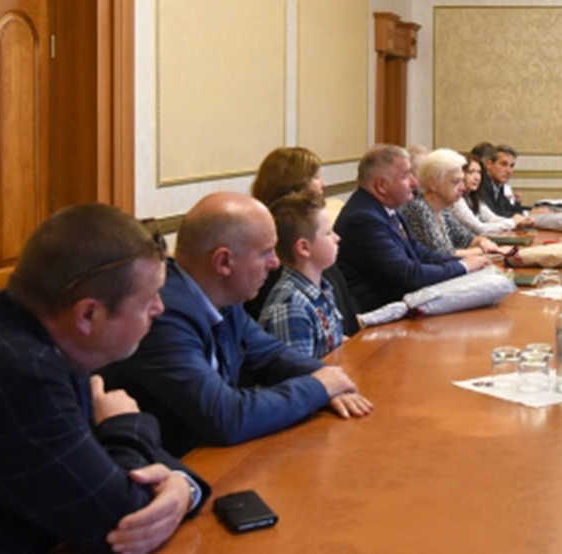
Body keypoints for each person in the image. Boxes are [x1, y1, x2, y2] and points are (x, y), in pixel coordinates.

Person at [0, 204, 209, 554]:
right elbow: (122, 524)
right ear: (88, 314)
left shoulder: (26, 327)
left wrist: (182, 486)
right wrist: (125, 423)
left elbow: (113, 472)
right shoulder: (17, 374)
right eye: (148, 299)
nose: (160, 308)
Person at [100, 192, 372, 457]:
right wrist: (318, 388)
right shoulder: (163, 316)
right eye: (266, 253)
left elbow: (271, 355)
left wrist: (327, 378)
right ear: (223, 261)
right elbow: (226, 417)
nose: (275, 263)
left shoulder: (224, 298)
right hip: (171, 466)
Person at [335, 145, 492, 312]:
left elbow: (420, 253)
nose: (414, 182)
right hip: (379, 315)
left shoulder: (388, 209)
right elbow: (407, 275)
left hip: (402, 304)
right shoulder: (363, 219)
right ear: (381, 185)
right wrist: (463, 267)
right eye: (405, 176)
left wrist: (465, 263)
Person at [245, 147, 361, 334]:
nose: (324, 184)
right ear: (293, 183)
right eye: (316, 177)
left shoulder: (315, 239)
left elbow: (343, 300)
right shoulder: (279, 242)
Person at [258, 190, 347, 359]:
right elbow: (300, 373)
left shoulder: (322, 289)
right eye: (329, 233)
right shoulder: (292, 307)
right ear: (304, 248)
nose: (337, 238)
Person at [401, 149, 502, 256]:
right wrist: (483, 250)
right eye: (455, 182)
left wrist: (482, 241)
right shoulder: (418, 209)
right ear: (433, 184)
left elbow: (468, 239)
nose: (462, 187)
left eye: (462, 180)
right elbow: (442, 255)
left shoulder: (443, 211)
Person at [450, 152, 534, 234]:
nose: (477, 178)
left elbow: (491, 218)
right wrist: (513, 222)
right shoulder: (456, 200)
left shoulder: (474, 197)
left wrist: (519, 221)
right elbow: (480, 228)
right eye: (471, 172)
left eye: (479, 172)